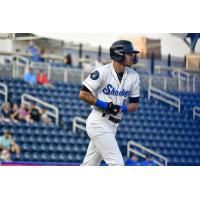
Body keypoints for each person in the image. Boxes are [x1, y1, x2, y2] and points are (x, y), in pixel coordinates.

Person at [79, 40, 140, 166]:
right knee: (117, 164)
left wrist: (120, 109)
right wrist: (106, 106)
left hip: (113, 125)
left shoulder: (134, 76)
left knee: (89, 166)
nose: (132, 56)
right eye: (129, 53)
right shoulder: (103, 71)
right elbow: (83, 94)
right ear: (119, 54)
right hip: (98, 121)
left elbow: (134, 105)